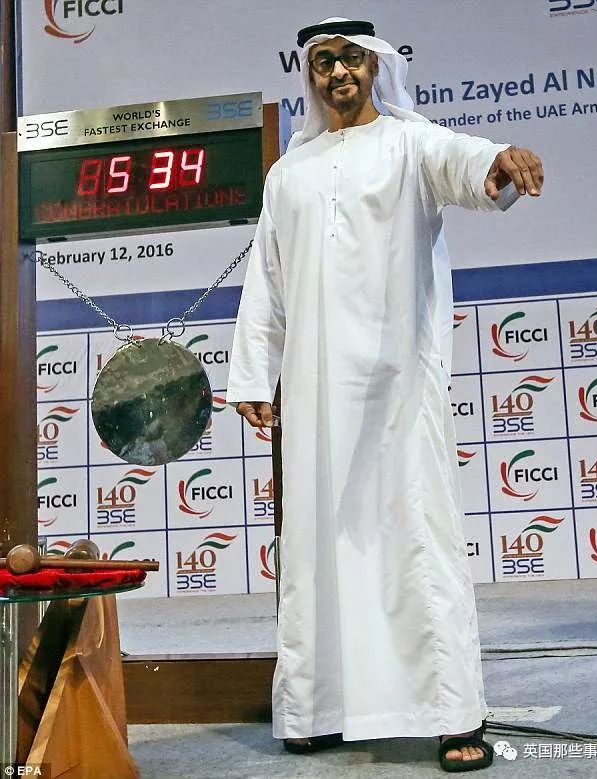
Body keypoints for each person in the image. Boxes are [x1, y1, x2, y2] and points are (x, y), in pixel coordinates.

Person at [226, 17, 543, 773]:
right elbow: (267, 280)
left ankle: (451, 713)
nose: (338, 73)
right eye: (324, 62)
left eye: (352, 60)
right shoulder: (289, 174)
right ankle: (315, 708)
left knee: (415, 535)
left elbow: (466, 162)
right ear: (310, 74)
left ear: (375, 66)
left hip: (400, 384)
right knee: (315, 543)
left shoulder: (410, 143)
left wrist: (500, 158)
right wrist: (254, 374)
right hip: (315, 396)